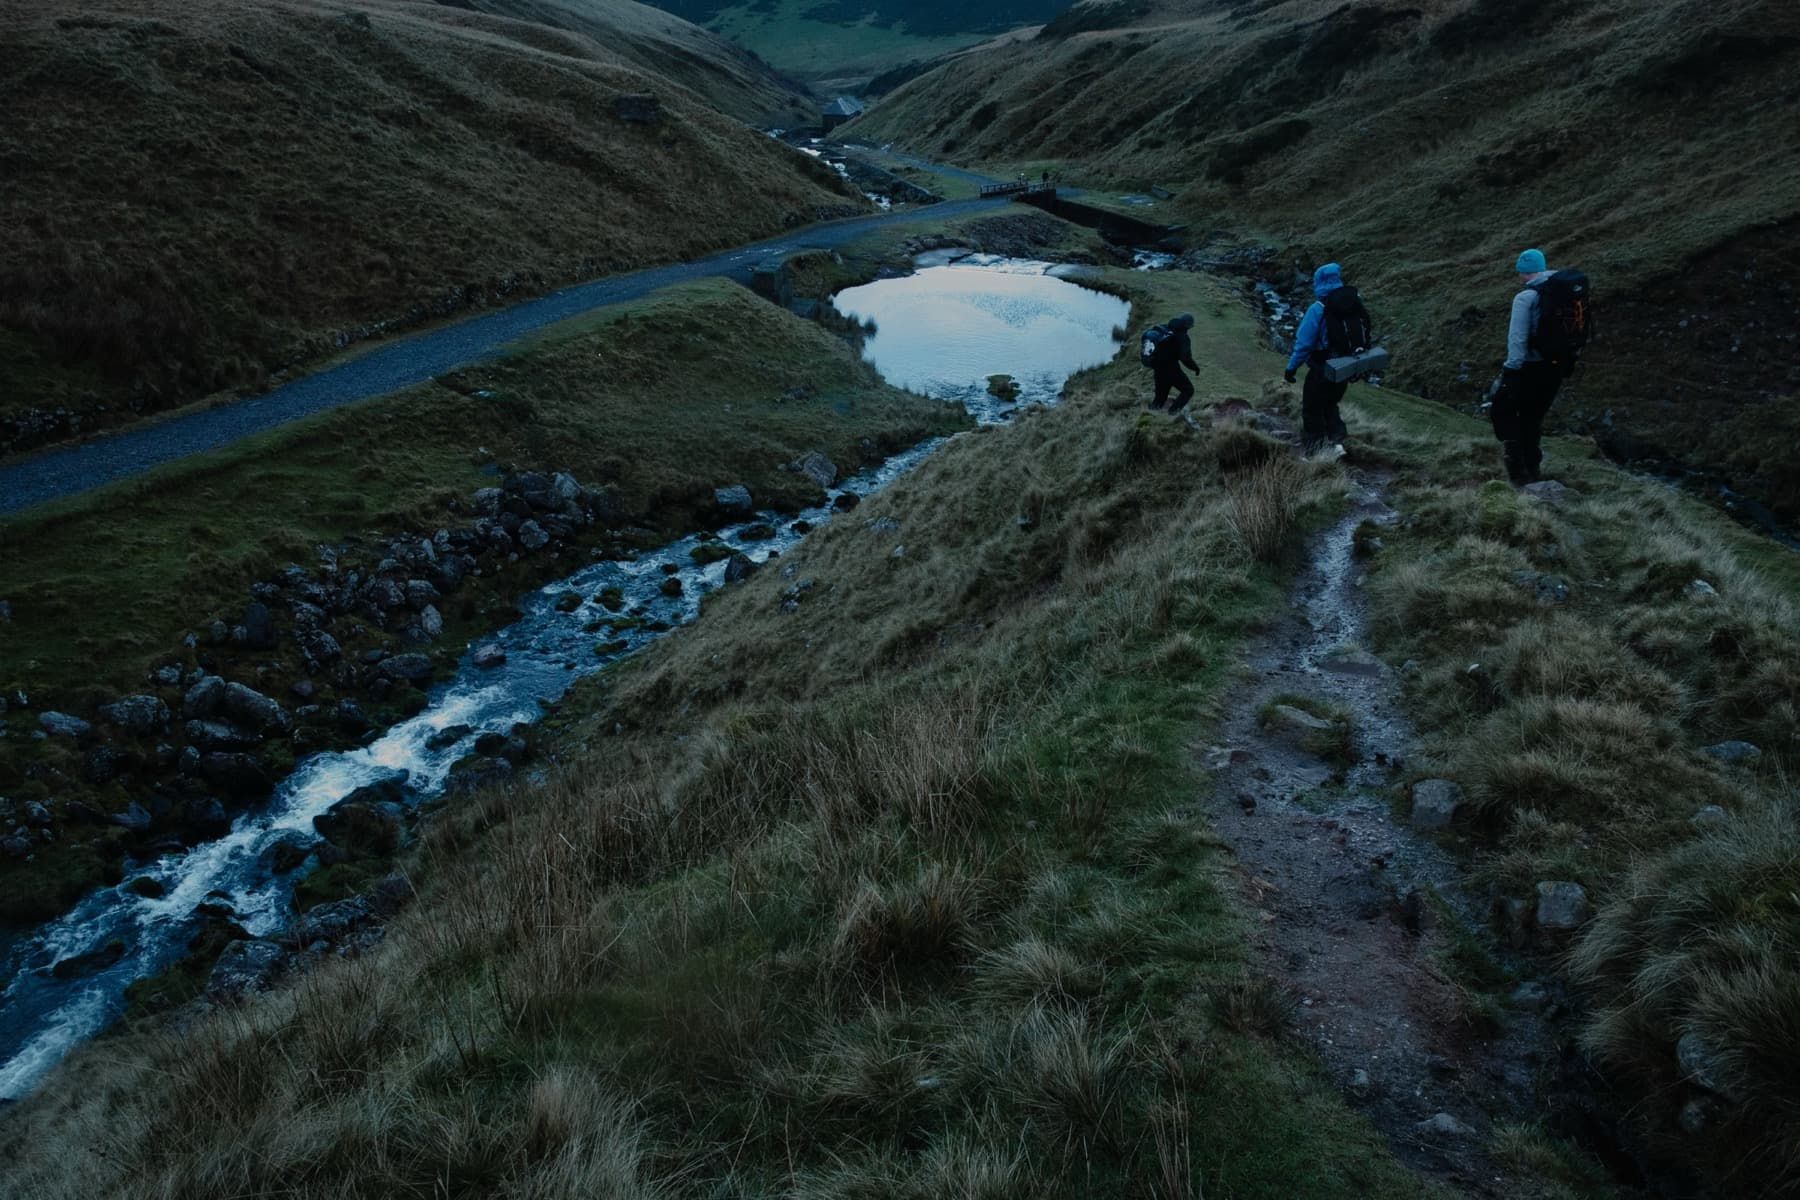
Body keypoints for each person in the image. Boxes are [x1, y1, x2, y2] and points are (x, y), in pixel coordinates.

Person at [1490, 248, 1582, 484]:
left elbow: (1517, 338)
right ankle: (1533, 468)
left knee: (1507, 411)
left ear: (1522, 272)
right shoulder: (1564, 290)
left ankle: (1517, 470)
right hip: (1556, 367)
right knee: (1533, 418)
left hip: (1529, 368)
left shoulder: (1525, 298)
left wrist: (1511, 370)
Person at [1282, 262, 1370, 459]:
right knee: (1331, 404)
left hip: (1322, 367)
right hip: (1346, 366)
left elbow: (1304, 343)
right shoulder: (1353, 302)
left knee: (1312, 408)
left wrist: (1291, 368)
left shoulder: (1319, 307)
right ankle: (1338, 444)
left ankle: (1316, 453)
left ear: (1318, 281)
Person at [1148, 313, 1199, 414]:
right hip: (1171, 370)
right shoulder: (1183, 337)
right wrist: (1195, 368)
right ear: (1187, 326)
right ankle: (1173, 413)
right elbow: (1185, 357)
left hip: (1158, 369)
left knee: (1160, 398)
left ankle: (1148, 417)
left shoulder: (1165, 329)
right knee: (1188, 390)